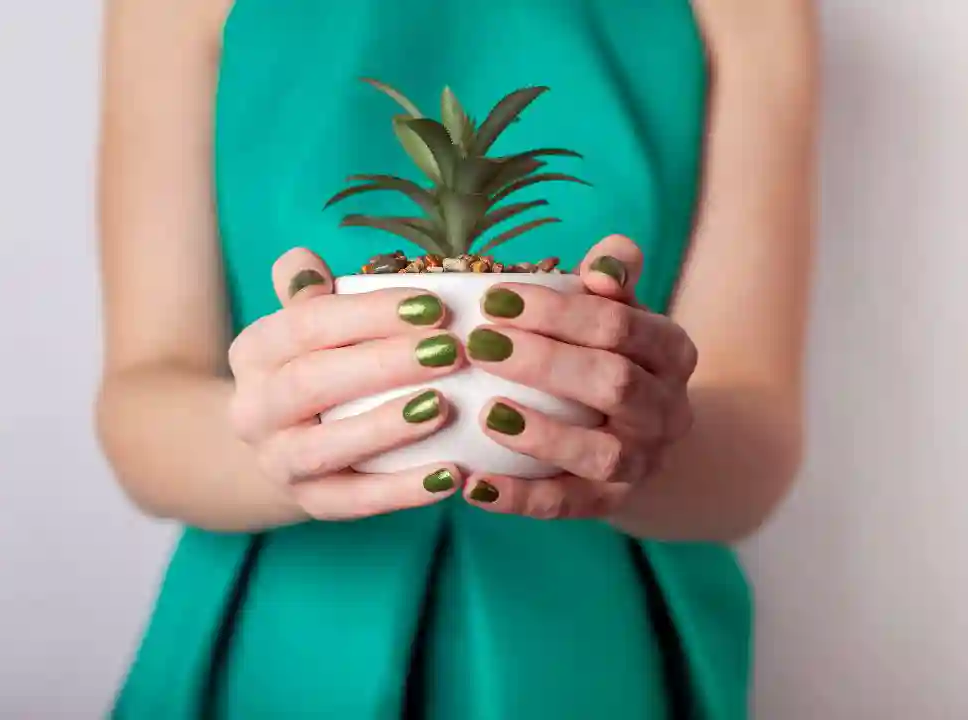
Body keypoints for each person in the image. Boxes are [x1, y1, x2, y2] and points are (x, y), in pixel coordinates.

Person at [94, 0, 819, 717]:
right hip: (285, 623)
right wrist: (277, 444)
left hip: (592, 632)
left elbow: (757, 431)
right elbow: (142, 392)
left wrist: (636, 443)